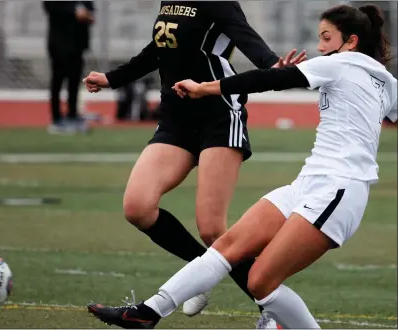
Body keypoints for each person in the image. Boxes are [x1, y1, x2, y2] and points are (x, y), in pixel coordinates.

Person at [86, 4, 397, 329]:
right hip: (309, 183)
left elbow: (270, 80)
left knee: (261, 282)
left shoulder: (342, 65)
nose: (319, 48)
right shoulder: (382, 80)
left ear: (350, 42)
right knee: (226, 246)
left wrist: (205, 87)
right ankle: (147, 313)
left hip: (339, 191)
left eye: (326, 38)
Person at [83, 1, 305, 319]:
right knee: (137, 207)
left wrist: (275, 66)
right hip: (176, 116)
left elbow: (245, 37)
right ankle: (198, 273)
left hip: (217, 111)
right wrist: (113, 78)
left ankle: (272, 313)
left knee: (214, 230)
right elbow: (161, 46)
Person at [43, 1, 95, 134]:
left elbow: (90, 9)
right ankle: (57, 118)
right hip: (59, 42)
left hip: (78, 43)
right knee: (58, 80)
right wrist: (73, 12)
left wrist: (88, 15)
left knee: (74, 80)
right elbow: (50, 7)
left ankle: (73, 114)